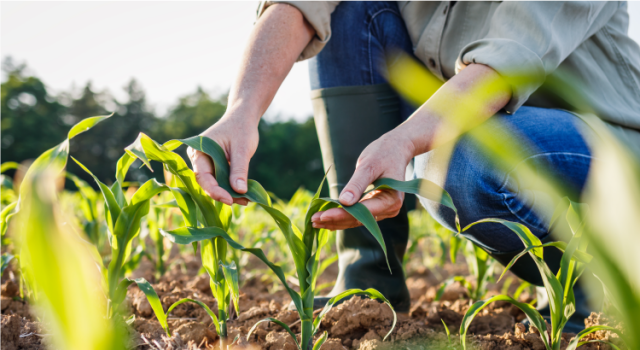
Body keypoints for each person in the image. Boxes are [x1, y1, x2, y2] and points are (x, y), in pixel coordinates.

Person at [188, 0, 640, 331]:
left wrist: (406, 141)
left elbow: (506, 62)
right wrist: (243, 110)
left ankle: (604, 288)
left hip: (608, 145)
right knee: (351, 9)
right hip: (482, 125)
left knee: (458, 160)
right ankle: (369, 283)